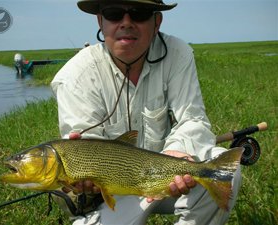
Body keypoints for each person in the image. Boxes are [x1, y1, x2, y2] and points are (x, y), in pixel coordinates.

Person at [51, 0, 241, 224]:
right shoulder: (74, 76)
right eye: (114, 13)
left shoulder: (178, 53)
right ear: (100, 21)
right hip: (113, 193)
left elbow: (193, 119)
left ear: (157, 22)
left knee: (224, 168)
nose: (126, 23)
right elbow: (84, 152)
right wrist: (85, 181)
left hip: (170, 178)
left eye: (139, 14)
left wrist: (178, 152)